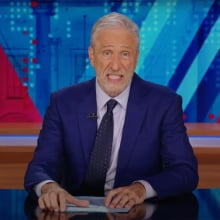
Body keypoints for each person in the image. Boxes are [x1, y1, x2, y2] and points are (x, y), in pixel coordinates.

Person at [24, 12, 198, 212]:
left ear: (136, 57)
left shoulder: (164, 103)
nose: (116, 66)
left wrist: (141, 189)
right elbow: (39, 167)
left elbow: (185, 171)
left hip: (138, 214)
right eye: (107, 52)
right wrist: (48, 187)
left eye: (125, 54)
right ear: (92, 56)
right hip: (74, 212)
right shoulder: (63, 103)